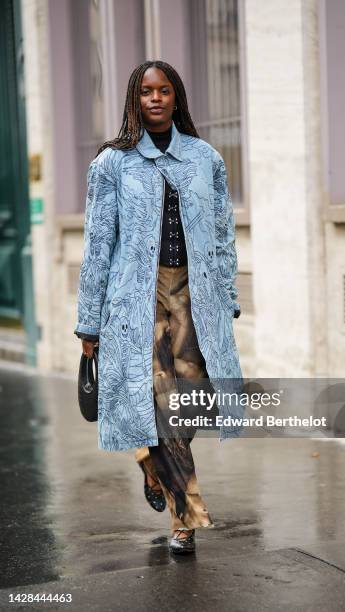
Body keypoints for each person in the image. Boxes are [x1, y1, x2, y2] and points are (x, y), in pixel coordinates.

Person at [74, 60, 243, 554]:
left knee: (184, 405)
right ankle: (185, 517)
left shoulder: (205, 159)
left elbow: (223, 235)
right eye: (146, 91)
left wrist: (228, 297)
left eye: (163, 90)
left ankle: (150, 459)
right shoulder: (111, 164)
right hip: (135, 301)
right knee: (159, 399)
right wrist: (89, 321)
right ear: (134, 98)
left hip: (194, 297)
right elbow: (98, 245)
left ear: (176, 97)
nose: (154, 99)